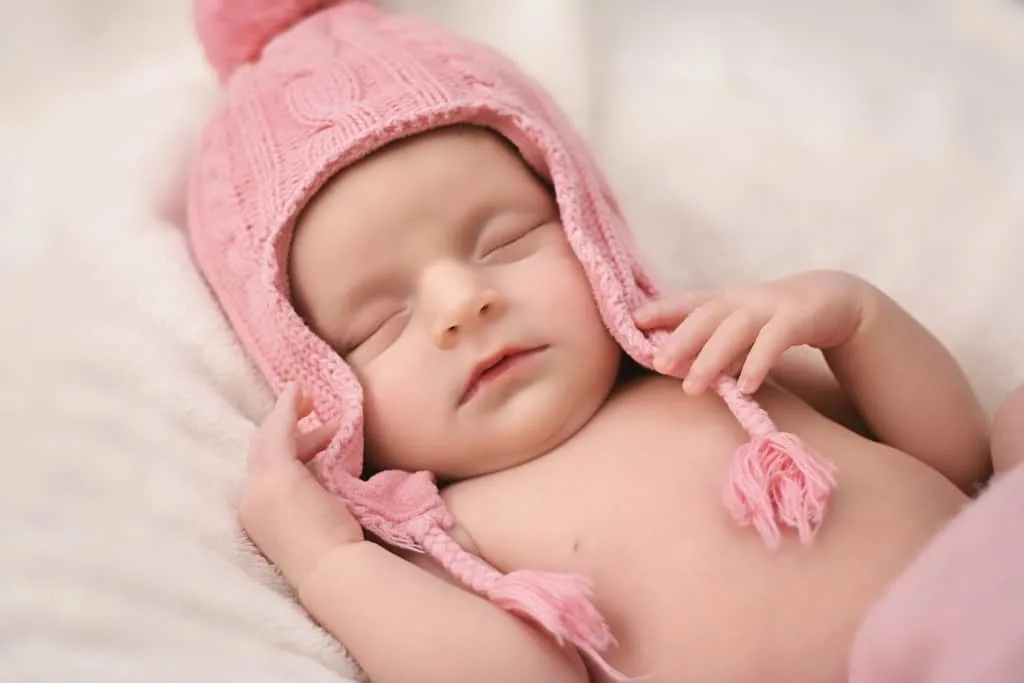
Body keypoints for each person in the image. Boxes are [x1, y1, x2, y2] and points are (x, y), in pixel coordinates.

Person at [186, 1, 993, 681]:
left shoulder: (702, 361)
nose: (463, 303)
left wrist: (857, 322)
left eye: (505, 240)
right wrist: (328, 562)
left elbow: (957, 460)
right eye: (376, 321)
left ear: (588, 225)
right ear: (319, 373)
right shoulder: (450, 530)